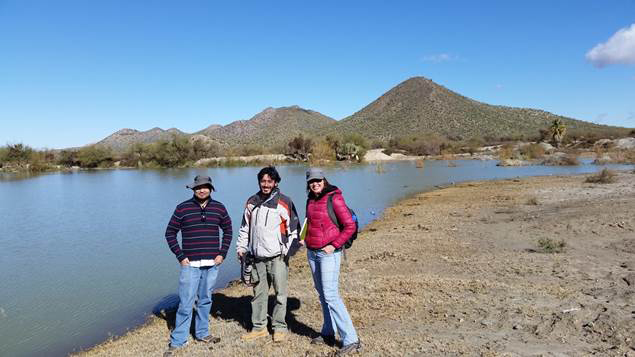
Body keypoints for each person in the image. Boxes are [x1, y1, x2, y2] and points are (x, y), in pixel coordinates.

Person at [163, 175, 233, 355]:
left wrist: (222, 253)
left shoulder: (219, 208)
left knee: (205, 300)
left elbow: (228, 230)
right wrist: (180, 256)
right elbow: (170, 233)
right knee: (186, 302)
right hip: (190, 265)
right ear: (193, 189)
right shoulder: (182, 208)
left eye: (205, 187)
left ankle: (202, 333)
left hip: (212, 264)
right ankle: (179, 340)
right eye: (198, 187)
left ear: (211, 188)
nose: (202, 190)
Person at [236, 166, 300, 343]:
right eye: (263, 181)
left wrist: (286, 252)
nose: (265, 184)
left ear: (275, 182)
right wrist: (241, 248)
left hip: (278, 258)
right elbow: (245, 228)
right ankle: (259, 328)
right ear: (259, 182)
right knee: (259, 294)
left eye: (269, 181)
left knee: (280, 294)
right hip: (257, 258)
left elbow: (294, 230)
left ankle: (279, 327)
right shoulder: (251, 201)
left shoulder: (284, 201)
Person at [303, 168, 361, 355]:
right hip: (312, 252)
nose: (315, 184)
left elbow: (350, 226)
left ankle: (351, 339)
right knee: (322, 294)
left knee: (331, 295)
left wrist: (333, 245)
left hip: (329, 253)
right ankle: (328, 331)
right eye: (312, 181)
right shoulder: (310, 199)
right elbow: (310, 222)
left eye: (318, 180)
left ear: (324, 180)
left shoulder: (334, 197)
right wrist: (304, 238)